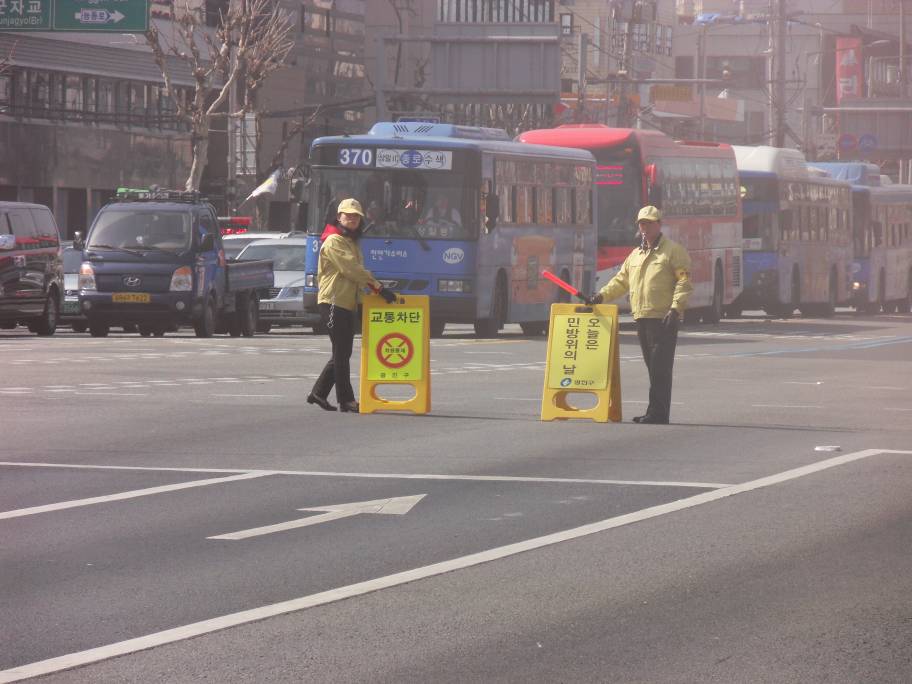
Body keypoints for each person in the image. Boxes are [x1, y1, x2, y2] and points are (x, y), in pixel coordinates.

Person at [586, 205, 692, 424]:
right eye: (642, 224)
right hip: (642, 316)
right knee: (653, 368)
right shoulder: (636, 254)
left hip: (663, 317)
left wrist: (675, 308)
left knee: (660, 369)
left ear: (659, 225)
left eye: (649, 223)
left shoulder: (672, 251)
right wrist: (601, 296)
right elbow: (621, 281)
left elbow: (684, 282)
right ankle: (655, 411)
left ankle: (658, 413)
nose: (645, 228)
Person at [308, 198, 397, 413]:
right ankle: (346, 400)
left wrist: (361, 302)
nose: (352, 219)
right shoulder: (334, 242)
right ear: (339, 217)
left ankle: (318, 393)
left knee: (342, 352)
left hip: (345, 303)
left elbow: (354, 274)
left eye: (356, 216)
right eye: (348, 215)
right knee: (342, 352)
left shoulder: (351, 242)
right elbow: (353, 271)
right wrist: (378, 288)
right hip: (333, 302)